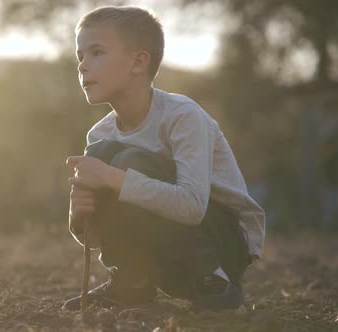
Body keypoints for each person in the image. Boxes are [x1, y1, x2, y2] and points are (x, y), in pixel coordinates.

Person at [63, 6, 265, 312]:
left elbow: (192, 206)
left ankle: (214, 282)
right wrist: (79, 215)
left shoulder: (183, 117)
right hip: (165, 256)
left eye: (96, 52)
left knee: (126, 160)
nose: (82, 66)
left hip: (223, 242)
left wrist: (109, 178)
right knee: (104, 154)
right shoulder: (100, 135)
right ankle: (131, 282)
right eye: (80, 56)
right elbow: (93, 238)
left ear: (138, 61)